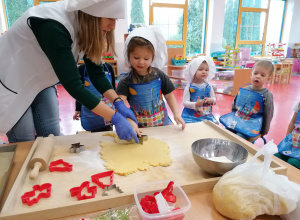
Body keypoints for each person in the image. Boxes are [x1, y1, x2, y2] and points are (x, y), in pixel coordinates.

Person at [0, 0, 139, 143]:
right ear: (93, 14)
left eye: (115, 19)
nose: (113, 26)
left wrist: (118, 103)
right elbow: (74, 85)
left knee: (51, 133)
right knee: (24, 137)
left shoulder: (83, 26)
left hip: (40, 80)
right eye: (110, 18)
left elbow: (97, 73)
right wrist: (114, 118)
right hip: (11, 80)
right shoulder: (52, 24)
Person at [116, 27, 185, 130]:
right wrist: (127, 121)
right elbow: (120, 105)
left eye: (146, 58)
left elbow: (169, 95)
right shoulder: (125, 81)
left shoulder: (159, 75)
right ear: (128, 56)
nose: (141, 62)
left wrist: (176, 113)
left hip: (163, 124)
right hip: (139, 128)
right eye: (136, 57)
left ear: (153, 57)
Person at [219, 60, 274, 141]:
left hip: (252, 125)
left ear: (268, 78)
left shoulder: (267, 95)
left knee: (239, 138)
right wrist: (234, 119)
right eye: (255, 73)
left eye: (262, 75)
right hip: (238, 120)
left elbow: (268, 114)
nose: (258, 76)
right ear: (251, 74)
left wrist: (263, 131)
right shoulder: (243, 89)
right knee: (226, 133)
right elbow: (235, 105)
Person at [73, 62, 115, 132]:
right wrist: (78, 109)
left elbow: (113, 89)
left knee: (108, 132)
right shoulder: (82, 69)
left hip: (108, 110)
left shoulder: (108, 67)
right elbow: (79, 92)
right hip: (89, 112)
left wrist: (117, 106)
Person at [181, 56, 218, 124]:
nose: (204, 72)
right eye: (200, 69)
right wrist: (196, 104)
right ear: (193, 71)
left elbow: (214, 99)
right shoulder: (189, 87)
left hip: (206, 116)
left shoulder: (208, 86)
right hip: (190, 116)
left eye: (206, 70)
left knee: (214, 126)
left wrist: (212, 100)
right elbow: (185, 103)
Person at [275, 101, 300, 169]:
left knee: (292, 163)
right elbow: (293, 121)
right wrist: (287, 139)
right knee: (275, 157)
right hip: (294, 142)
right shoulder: (299, 103)